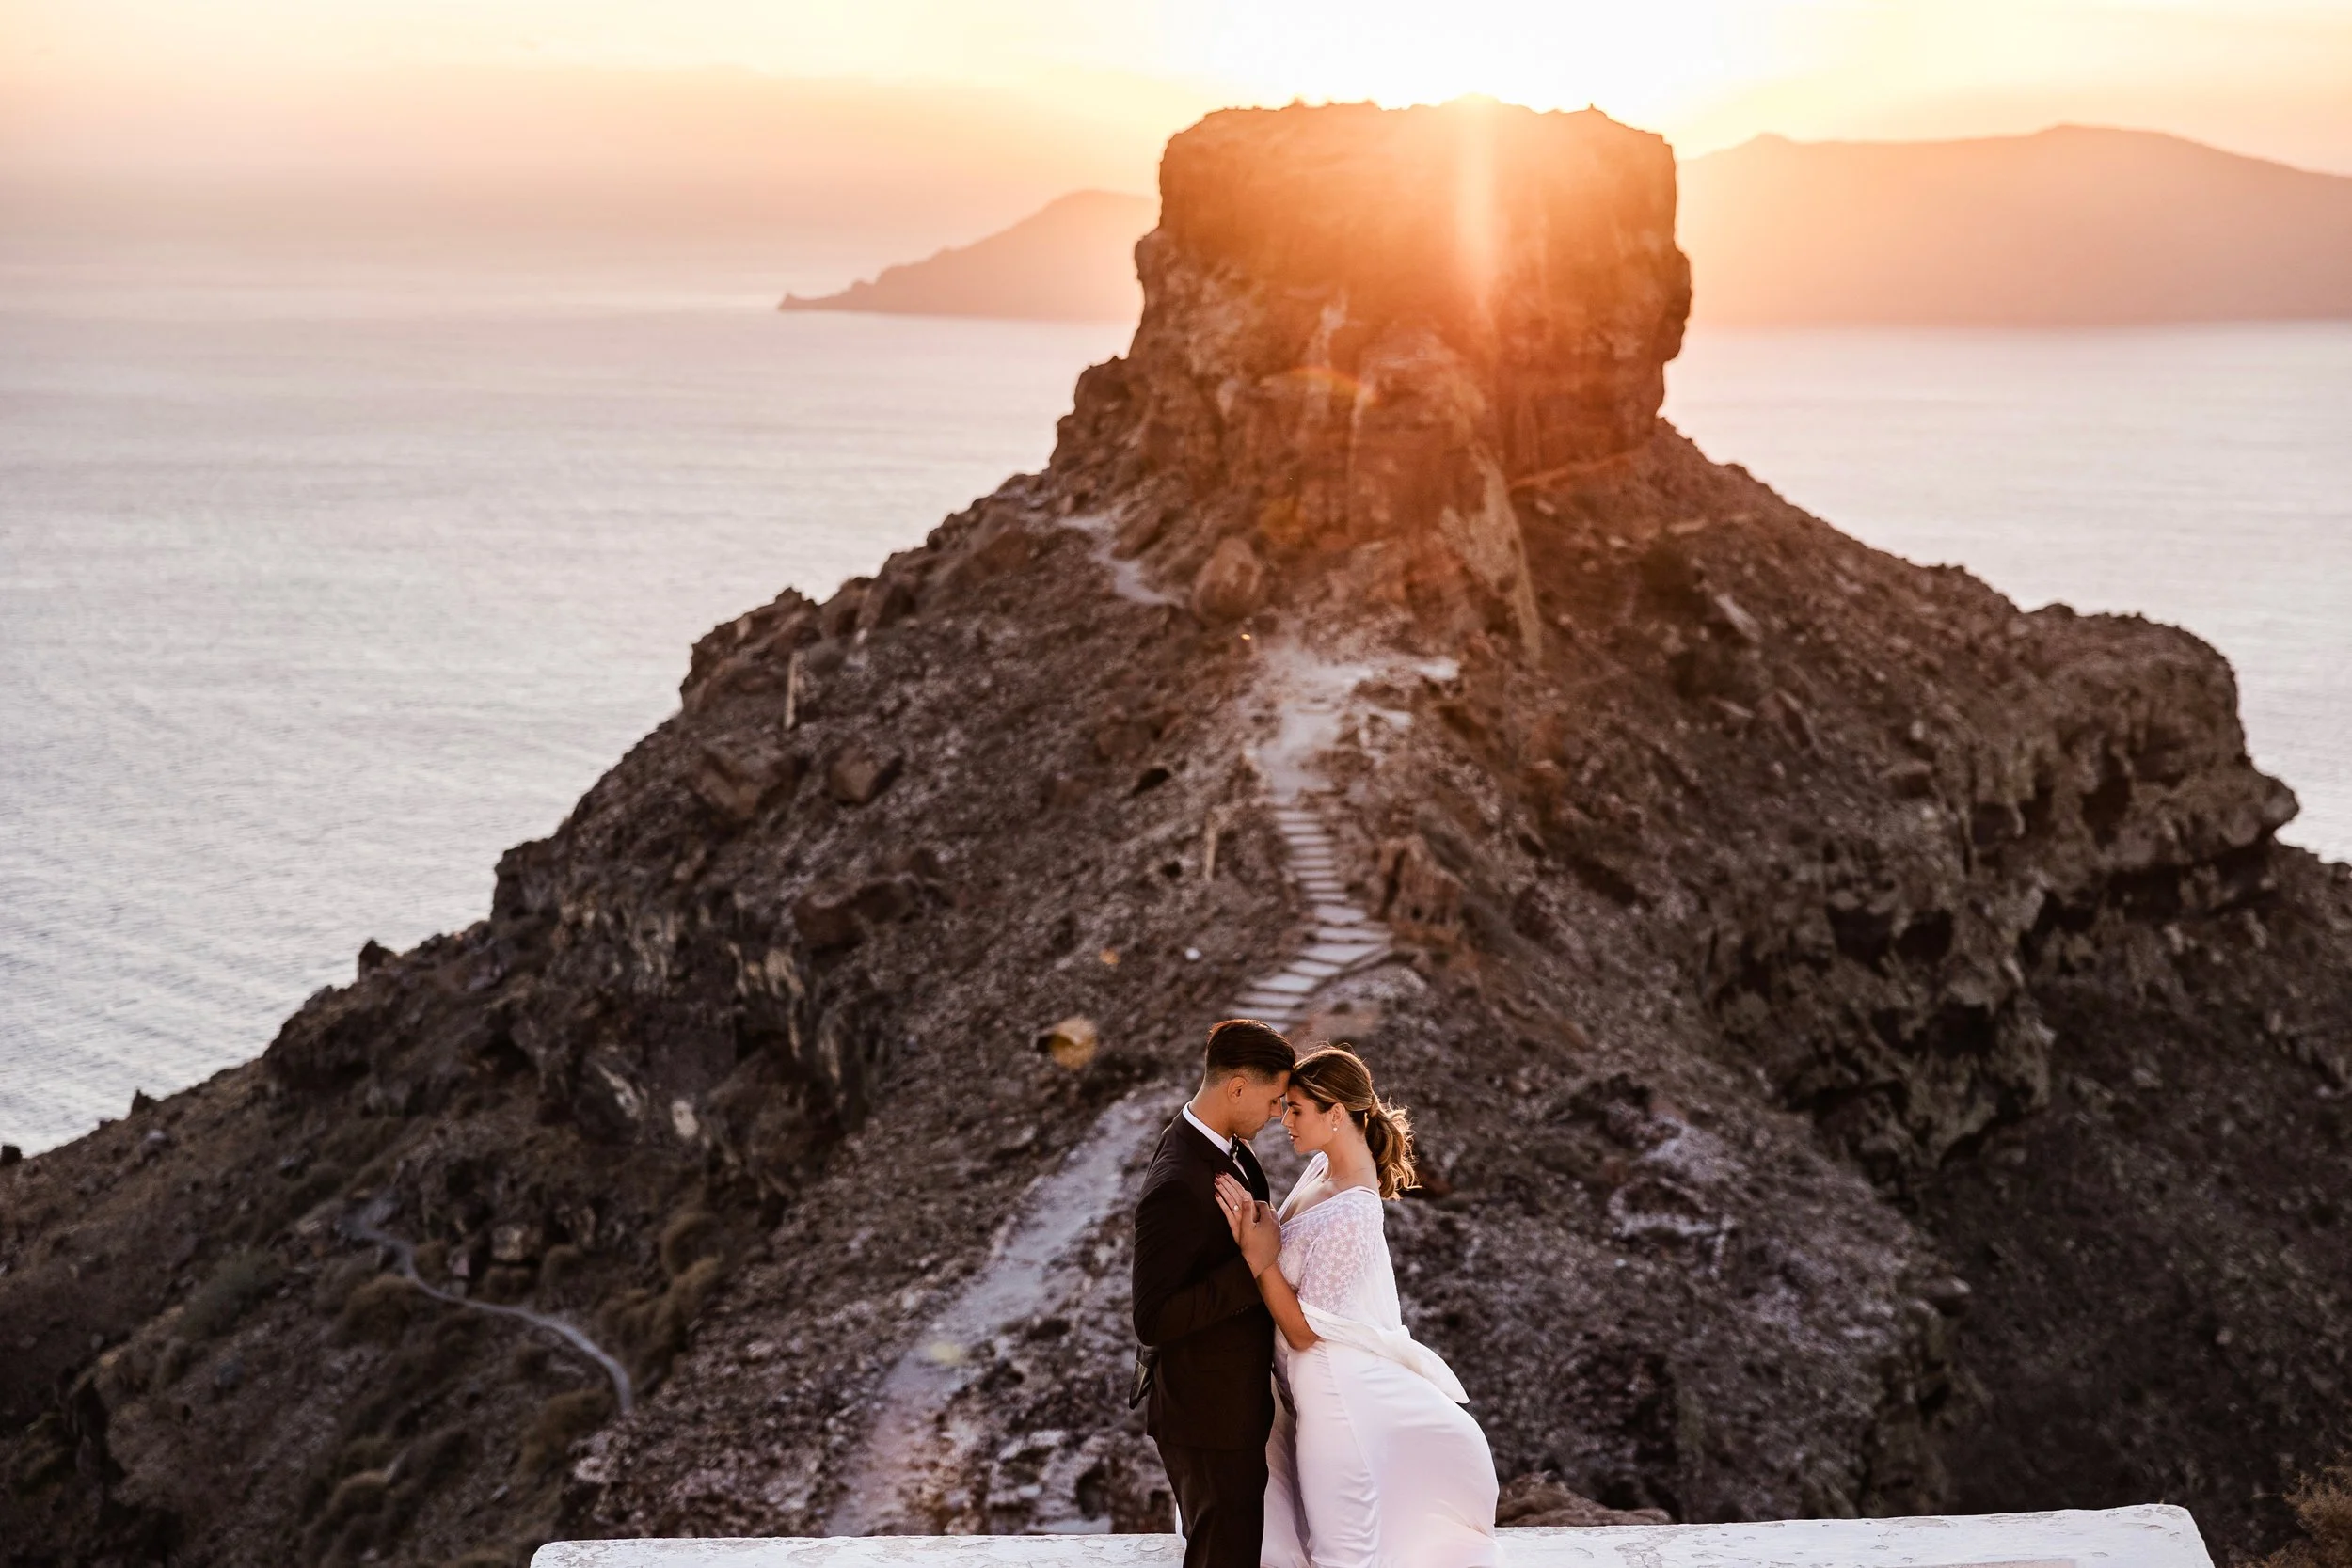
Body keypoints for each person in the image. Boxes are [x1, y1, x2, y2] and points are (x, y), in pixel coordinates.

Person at [1215, 1045, 1500, 1568]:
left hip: (1335, 1399)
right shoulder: (1324, 1167)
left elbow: (1305, 1333)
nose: (1285, 1121)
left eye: (1297, 1109)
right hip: (1303, 1388)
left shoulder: (1356, 1212)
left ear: (1337, 1114)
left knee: (1342, 1548)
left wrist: (1259, 1260)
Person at [1132, 1019, 1298, 1568]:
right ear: (1236, 1088)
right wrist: (1253, 1262)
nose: (1278, 1114)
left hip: (1231, 1406)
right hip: (1205, 1417)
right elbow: (1152, 1320)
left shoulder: (1229, 1149)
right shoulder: (1177, 1182)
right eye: (1274, 1100)